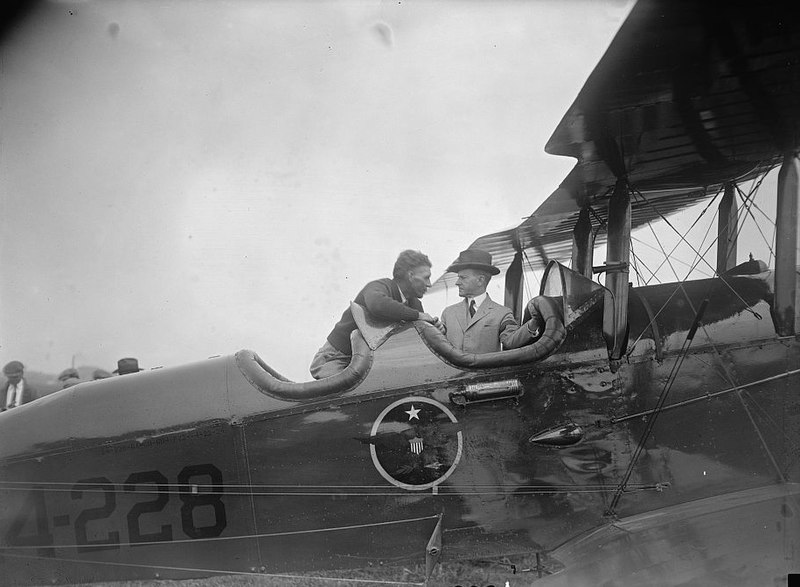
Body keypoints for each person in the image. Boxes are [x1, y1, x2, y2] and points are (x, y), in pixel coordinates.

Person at [310, 249, 443, 379]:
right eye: (426, 277)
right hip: (335, 358)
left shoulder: (414, 305)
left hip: (368, 362)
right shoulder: (379, 286)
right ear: (410, 275)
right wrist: (419, 316)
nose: (429, 284)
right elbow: (377, 305)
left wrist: (437, 329)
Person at [441, 248, 541, 353]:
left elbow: (511, 341)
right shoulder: (448, 313)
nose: (457, 282)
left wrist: (533, 324)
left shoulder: (502, 314)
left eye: (463, 278)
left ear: (480, 280)